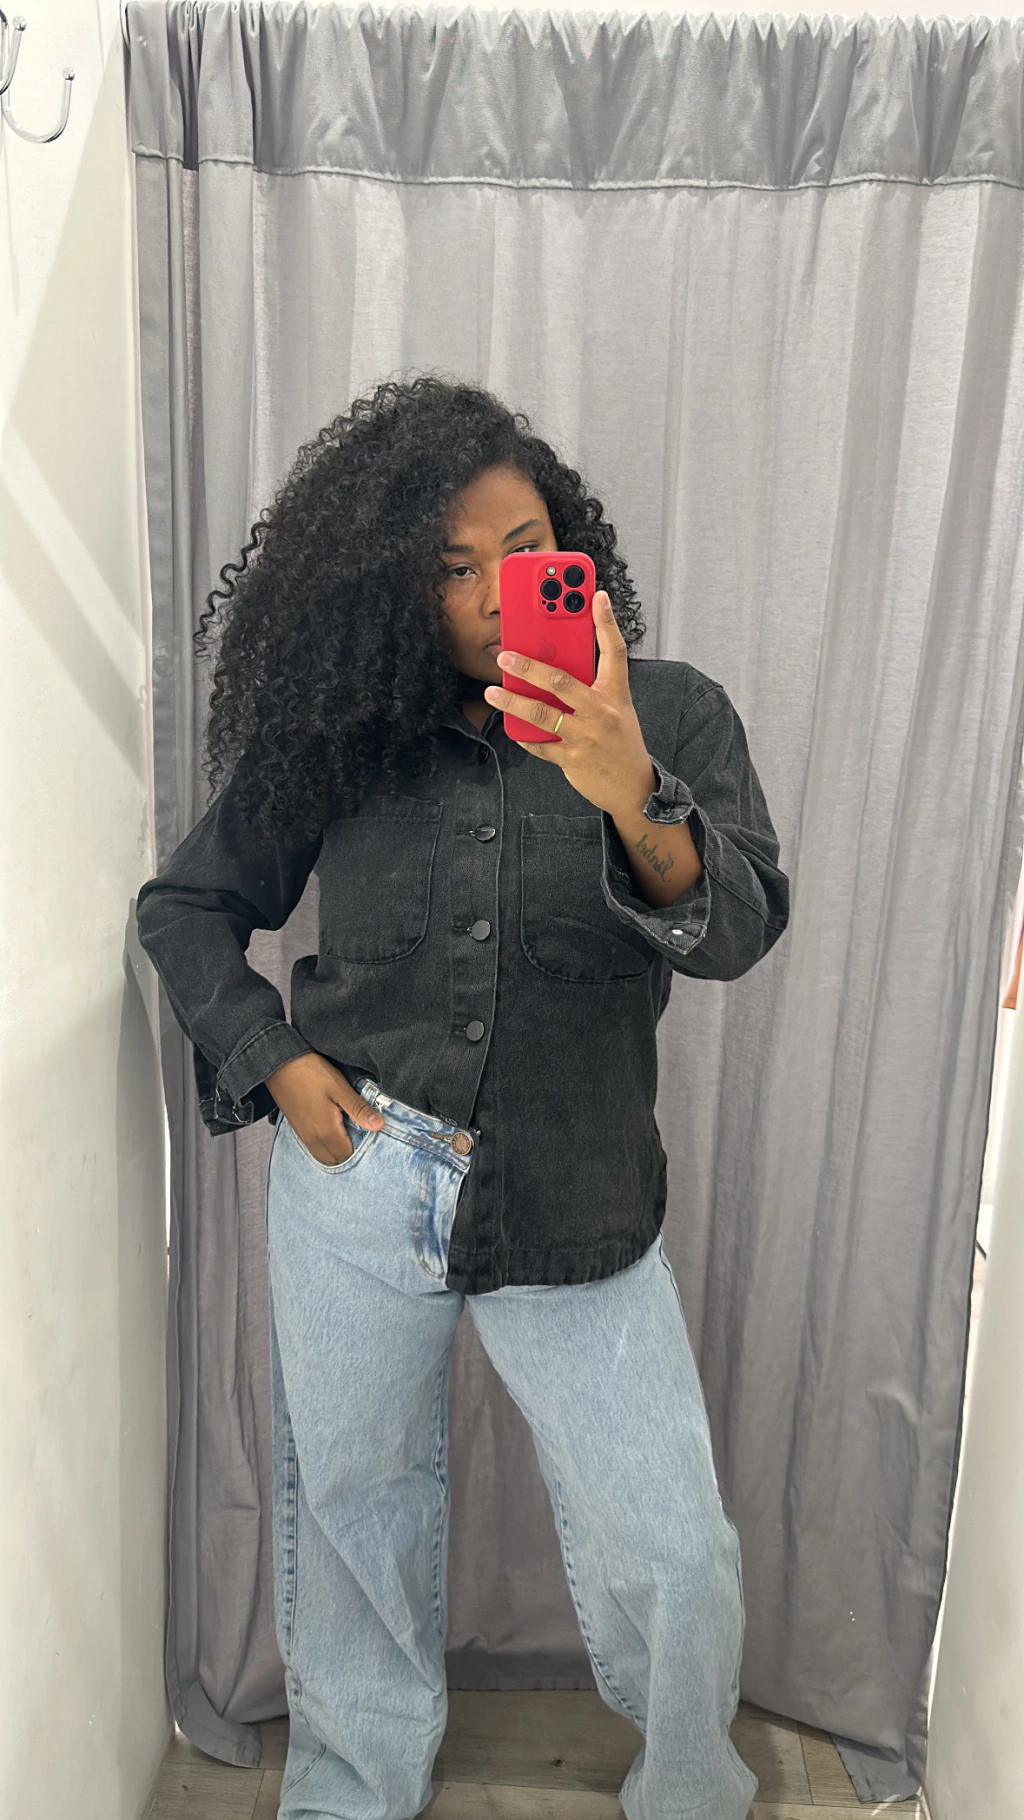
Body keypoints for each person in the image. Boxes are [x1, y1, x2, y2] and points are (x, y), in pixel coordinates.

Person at [136, 374, 789, 1820]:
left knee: (674, 1547)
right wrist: (277, 1060)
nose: (498, 591)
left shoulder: (673, 714)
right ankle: (352, 1787)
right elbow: (186, 907)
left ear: (573, 553)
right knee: (353, 1512)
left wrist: (631, 785)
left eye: (525, 548)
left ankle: (692, 1790)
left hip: (576, 1184)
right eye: (453, 566)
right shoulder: (345, 733)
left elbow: (736, 930)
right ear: (394, 586)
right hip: (358, 1181)